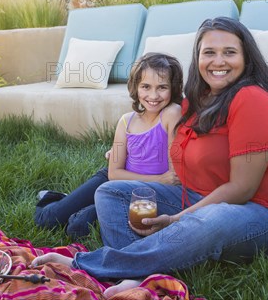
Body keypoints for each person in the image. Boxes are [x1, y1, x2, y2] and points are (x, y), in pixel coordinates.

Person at [32, 17, 268, 297]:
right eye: (209, 52)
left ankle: (92, 264)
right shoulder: (198, 100)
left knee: (212, 219)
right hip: (195, 196)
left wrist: (179, 219)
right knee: (111, 192)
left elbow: (241, 189)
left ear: (246, 58)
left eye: (229, 52)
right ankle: (136, 276)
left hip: (262, 212)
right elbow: (165, 134)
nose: (218, 61)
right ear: (197, 57)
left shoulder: (252, 99)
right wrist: (124, 149)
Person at [34, 52, 183, 239]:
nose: (153, 95)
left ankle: (77, 207)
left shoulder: (172, 113)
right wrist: (160, 179)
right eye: (145, 86)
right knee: (48, 220)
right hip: (110, 181)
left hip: (137, 194)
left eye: (162, 87)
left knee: (78, 228)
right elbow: (114, 173)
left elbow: (173, 177)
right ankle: (53, 198)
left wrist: (160, 180)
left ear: (173, 88)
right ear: (136, 88)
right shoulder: (126, 121)